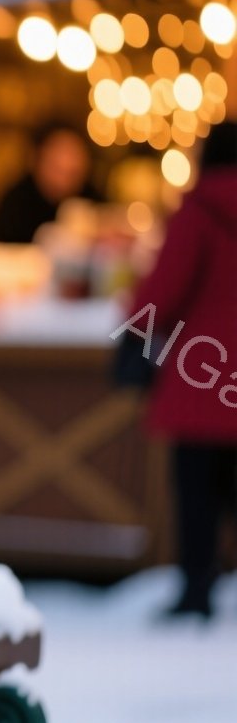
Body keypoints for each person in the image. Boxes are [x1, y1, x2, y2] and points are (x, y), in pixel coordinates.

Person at [129, 121, 237, 619]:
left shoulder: (197, 212)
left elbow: (161, 293)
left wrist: (133, 327)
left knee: (197, 496)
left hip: (200, 378)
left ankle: (197, 591)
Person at [0, 124, 94, 244]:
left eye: (72, 172)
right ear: (37, 159)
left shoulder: (91, 200)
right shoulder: (15, 204)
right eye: (56, 167)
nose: (66, 162)